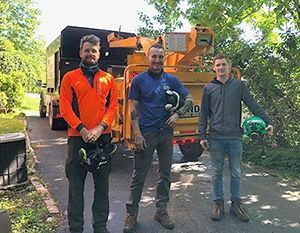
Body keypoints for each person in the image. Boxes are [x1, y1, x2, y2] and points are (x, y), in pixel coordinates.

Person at [123, 43, 194, 232]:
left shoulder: (171, 80)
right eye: (154, 56)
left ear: (164, 59)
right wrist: (136, 134)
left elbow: (189, 99)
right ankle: (131, 214)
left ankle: (161, 211)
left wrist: (178, 114)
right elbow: (133, 108)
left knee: (165, 174)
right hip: (145, 134)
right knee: (139, 175)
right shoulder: (139, 81)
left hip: (165, 134)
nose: (157, 60)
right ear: (148, 57)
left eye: (160, 57)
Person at [199, 53, 274, 222]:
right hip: (216, 137)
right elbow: (203, 114)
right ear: (214, 67)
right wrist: (202, 134)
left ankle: (236, 204)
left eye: (223, 64)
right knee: (217, 172)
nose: (220, 68)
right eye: (217, 65)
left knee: (236, 172)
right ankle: (218, 203)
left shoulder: (238, 86)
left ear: (229, 66)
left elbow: (253, 105)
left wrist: (268, 121)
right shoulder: (208, 88)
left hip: (235, 137)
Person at [59, 34, 118, 233]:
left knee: (102, 187)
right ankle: (76, 229)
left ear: (99, 53)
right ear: (80, 53)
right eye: (87, 50)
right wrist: (83, 129)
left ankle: (100, 227)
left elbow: (113, 109)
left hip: (103, 139)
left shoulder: (109, 79)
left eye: (94, 51)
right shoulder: (69, 78)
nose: (90, 54)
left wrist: (99, 128)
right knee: (76, 188)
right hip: (77, 139)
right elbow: (65, 108)